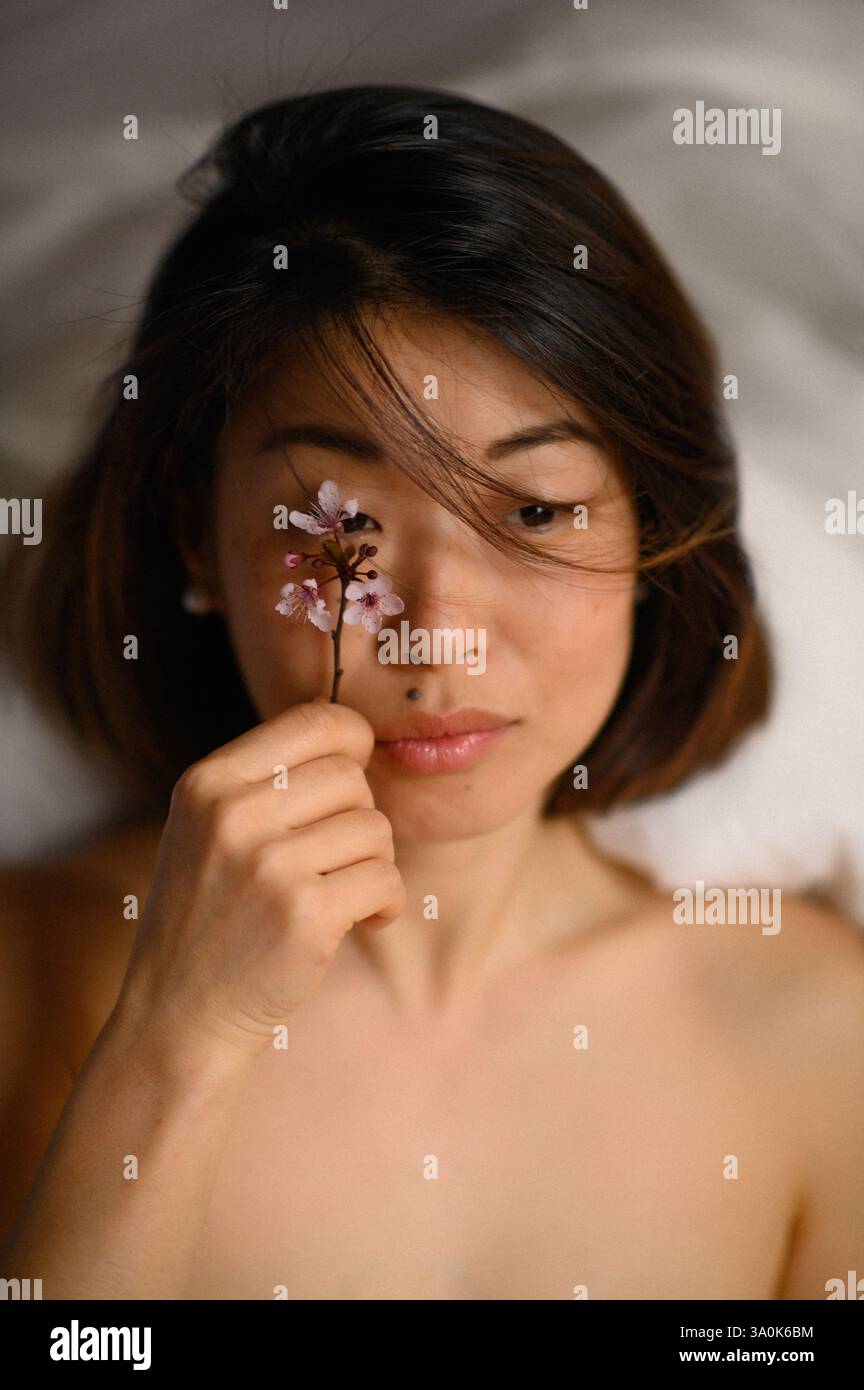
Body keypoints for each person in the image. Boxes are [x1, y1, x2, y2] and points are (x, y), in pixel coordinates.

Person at [1, 85, 862, 1301]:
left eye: (536, 513)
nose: (440, 639)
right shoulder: (23, 971)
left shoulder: (819, 1031)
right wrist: (175, 1042)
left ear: (655, 529)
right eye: (337, 527)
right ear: (196, 538)